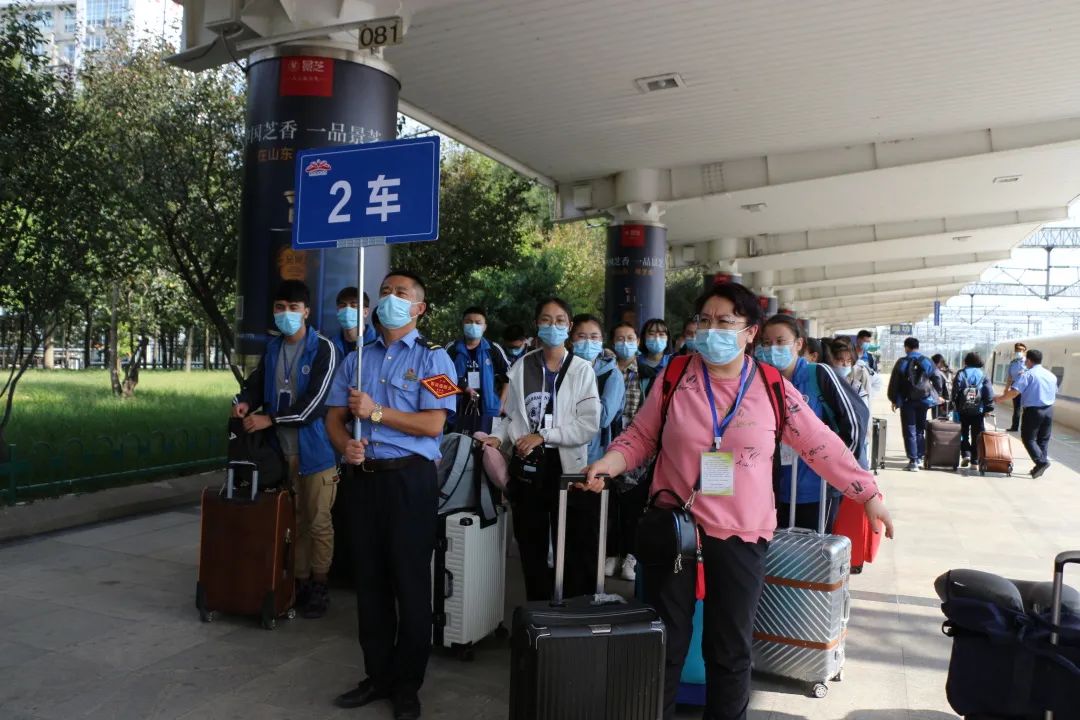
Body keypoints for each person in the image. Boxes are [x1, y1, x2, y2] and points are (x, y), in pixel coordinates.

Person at [583, 282, 893, 720]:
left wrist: (868, 493)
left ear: (750, 332)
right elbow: (641, 435)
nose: (712, 330)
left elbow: (819, 443)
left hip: (742, 535)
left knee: (729, 649)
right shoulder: (676, 376)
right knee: (665, 643)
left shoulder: (771, 386)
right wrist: (608, 463)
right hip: (676, 530)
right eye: (705, 321)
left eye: (725, 322)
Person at [326, 271, 457, 720]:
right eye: (385, 292)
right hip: (364, 479)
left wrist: (377, 412)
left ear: (419, 308)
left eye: (401, 293)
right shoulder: (357, 358)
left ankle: (407, 685)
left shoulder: (436, 359)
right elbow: (334, 417)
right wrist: (345, 445)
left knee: (410, 582)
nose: (390, 299)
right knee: (370, 582)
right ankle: (377, 675)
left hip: (409, 481)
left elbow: (434, 424)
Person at [231, 280, 340, 619]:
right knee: (294, 522)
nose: (286, 314)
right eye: (280, 308)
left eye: (294, 308)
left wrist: (270, 419)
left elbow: (314, 406)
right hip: (280, 453)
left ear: (306, 312)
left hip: (316, 453)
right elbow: (256, 385)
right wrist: (245, 402)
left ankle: (320, 584)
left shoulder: (324, 349)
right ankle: (299, 582)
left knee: (318, 523)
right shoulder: (273, 348)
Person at [481, 297, 600, 602]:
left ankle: (571, 610)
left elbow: (588, 425)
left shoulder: (582, 370)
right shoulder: (523, 366)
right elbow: (512, 417)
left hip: (566, 467)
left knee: (571, 543)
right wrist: (498, 438)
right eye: (546, 320)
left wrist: (543, 436)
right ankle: (537, 610)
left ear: (569, 326)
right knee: (530, 541)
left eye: (560, 320)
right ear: (536, 325)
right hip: (529, 466)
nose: (553, 326)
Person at [757, 315, 867, 533]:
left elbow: (856, 420)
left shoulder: (819, 374)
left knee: (814, 551)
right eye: (767, 343)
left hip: (819, 490)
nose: (772, 349)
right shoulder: (761, 381)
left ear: (799, 344)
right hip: (774, 491)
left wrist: (839, 470)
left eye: (780, 341)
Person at [604, 321, 655, 581]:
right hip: (608, 447)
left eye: (630, 338)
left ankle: (631, 555)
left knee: (634, 505)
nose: (625, 343)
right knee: (611, 505)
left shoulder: (648, 375)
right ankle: (612, 553)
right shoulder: (604, 371)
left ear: (638, 342)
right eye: (620, 338)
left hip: (639, 450)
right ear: (612, 342)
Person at [445, 306, 509, 435]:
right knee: (458, 443)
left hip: (489, 409)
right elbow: (441, 379)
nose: (473, 325)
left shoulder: (493, 349)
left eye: (478, 322)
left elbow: (507, 378)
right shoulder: (452, 349)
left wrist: (501, 404)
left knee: (485, 443)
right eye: (468, 322)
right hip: (457, 408)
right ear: (463, 324)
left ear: (484, 326)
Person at [995, 348, 1058, 478]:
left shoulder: (1028, 374)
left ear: (1028, 360)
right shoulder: (1051, 375)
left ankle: (1041, 462)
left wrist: (1000, 399)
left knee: (1028, 438)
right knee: (1043, 439)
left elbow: (1015, 392)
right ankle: (1039, 465)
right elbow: (1054, 391)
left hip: (1033, 411)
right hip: (1049, 410)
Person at [571, 314, 625, 465]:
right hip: (563, 449)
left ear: (602, 340)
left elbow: (603, 418)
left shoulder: (611, 375)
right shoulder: (562, 369)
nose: (588, 342)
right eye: (582, 336)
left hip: (595, 454)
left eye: (594, 337)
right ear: (571, 339)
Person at [887, 337, 938, 471]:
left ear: (906, 347)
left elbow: (895, 382)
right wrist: (936, 395)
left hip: (907, 400)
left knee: (910, 429)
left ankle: (913, 461)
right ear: (917, 347)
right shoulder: (926, 361)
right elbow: (937, 377)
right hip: (924, 400)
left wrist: (893, 399)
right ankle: (920, 457)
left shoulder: (902, 362)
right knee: (920, 429)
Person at [951, 352, 995, 468]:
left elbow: (955, 391)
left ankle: (966, 454)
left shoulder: (961, 373)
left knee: (962, 433)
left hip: (962, 410)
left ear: (966, 361)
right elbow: (989, 393)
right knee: (977, 435)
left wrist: (954, 404)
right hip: (978, 410)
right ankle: (974, 461)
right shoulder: (983, 375)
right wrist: (988, 408)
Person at [332, 286, 376, 358]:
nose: (347, 310)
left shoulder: (378, 342)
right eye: (343, 306)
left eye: (353, 306)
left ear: (365, 312)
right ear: (337, 310)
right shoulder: (330, 344)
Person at [829, 338, 872, 408]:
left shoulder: (856, 385)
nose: (845, 365)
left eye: (849, 361)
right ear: (831, 359)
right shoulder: (825, 381)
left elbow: (865, 409)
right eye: (841, 360)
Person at [1004, 342, 1028, 432]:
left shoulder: (1028, 362)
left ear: (1024, 351)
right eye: (1017, 350)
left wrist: (1025, 372)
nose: (1019, 352)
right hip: (1015, 387)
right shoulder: (1013, 363)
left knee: (1026, 409)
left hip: (1026, 388)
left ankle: (1025, 428)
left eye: (1021, 350)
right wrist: (1006, 388)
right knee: (1016, 408)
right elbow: (1009, 377)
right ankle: (1014, 427)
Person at [930, 353, 952, 420]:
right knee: (944, 419)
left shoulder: (936, 372)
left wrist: (937, 397)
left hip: (940, 401)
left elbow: (938, 387)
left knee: (937, 419)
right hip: (946, 400)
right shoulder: (945, 372)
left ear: (938, 363)